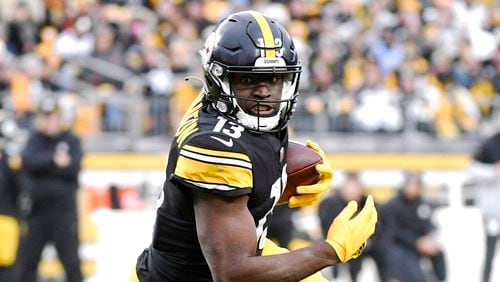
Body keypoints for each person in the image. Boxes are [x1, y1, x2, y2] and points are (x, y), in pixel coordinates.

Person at [136, 10, 377, 281]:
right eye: (248, 79)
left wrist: (283, 175)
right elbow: (232, 273)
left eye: (274, 78)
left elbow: (240, 180)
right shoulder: (214, 149)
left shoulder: (233, 108)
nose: (264, 91)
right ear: (220, 79)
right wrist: (330, 252)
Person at [14, 96, 84, 282]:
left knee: (72, 263)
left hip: (64, 213)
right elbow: (28, 162)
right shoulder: (34, 139)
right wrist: (53, 161)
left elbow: (73, 168)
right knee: (27, 263)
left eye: (53, 116)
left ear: (60, 117)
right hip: (38, 211)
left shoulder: (71, 140)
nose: (49, 121)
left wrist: (44, 167)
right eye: (45, 116)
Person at [318, 172, 396, 282]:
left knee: (387, 250)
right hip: (338, 243)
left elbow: (380, 227)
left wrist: (369, 241)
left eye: (355, 188)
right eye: (349, 188)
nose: (351, 191)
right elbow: (326, 226)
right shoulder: (330, 204)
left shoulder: (368, 203)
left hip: (365, 245)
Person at [381, 172, 447, 282]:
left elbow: (428, 224)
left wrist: (429, 239)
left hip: (418, 243)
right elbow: (394, 232)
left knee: (438, 251)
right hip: (400, 245)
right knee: (414, 274)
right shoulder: (393, 205)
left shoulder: (422, 203)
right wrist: (417, 242)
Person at [467, 130, 500, 282]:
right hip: (492, 210)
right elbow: (471, 169)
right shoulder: (489, 145)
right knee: (490, 253)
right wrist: (493, 171)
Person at [0, 116, 22, 281]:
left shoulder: (10, 162)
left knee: (8, 270)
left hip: (6, 219)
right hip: (7, 217)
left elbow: (21, 189)